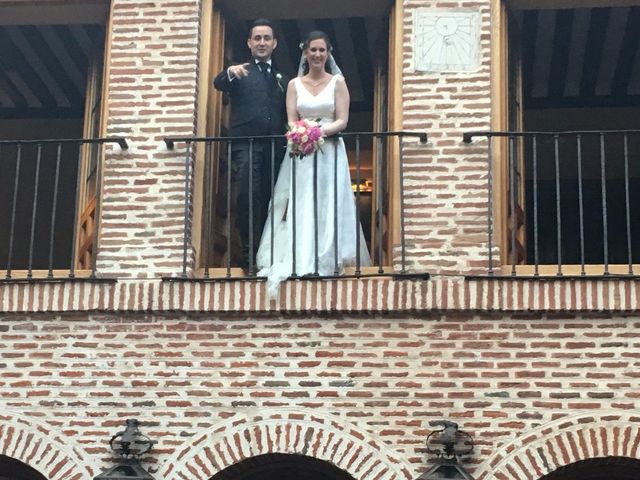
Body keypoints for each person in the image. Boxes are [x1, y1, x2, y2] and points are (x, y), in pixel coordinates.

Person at [256, 30, 371, 298]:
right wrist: (302, 134)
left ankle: (325, 257)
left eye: (322, 50)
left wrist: (319, 132)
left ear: (328, 53)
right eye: (313, 50)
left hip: (329, 149)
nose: (317, 55)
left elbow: (342, 120)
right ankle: (299, 255)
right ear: (305, 53)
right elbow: (292, 119)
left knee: (327, 199)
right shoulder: (295, 84)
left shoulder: (338, 83)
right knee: (301, 199)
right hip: (301, 151)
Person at [213, 18, 288, 273]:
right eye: (257, 38)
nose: (262, 42)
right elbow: (218, 83)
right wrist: (229, 72)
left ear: (274, 43)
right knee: (247, 195)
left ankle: (267, 254)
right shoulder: (240, 71)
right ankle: (247, 253)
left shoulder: (282, 78)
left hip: (275, 148)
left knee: (270, 198)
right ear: (249, 42)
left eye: (267, 38)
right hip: (246, 144)